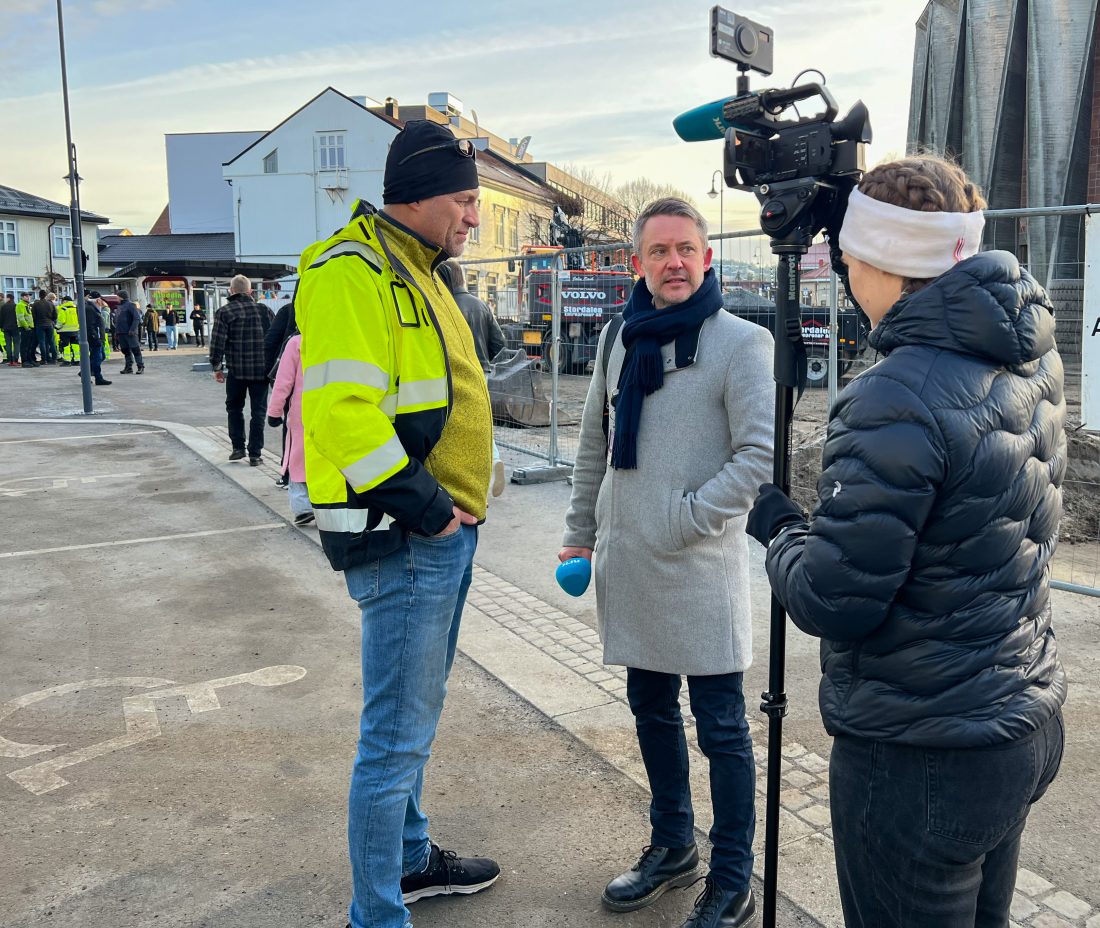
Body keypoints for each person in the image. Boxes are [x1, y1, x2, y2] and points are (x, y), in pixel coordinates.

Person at [745, 156, 1067, 928]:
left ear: (883, 259)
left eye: (850, 254)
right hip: (1017, 718)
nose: (844, 268)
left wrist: (782, 529)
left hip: (923, 750)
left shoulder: (897, 388)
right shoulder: (1028, 351)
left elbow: (835, 595)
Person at [295, 119, 498, 928]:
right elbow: (345, 414)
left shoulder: (418, 268)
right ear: (417, 194)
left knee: (413, 726)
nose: (473, 219)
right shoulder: (355, 271)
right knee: (392, 742)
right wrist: (429, 514)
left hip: (438, 536)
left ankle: (409, 863)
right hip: (407, 540)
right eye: (465, 199)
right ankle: (376, 915)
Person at [561, 197, 774, 928]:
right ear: (638, 263)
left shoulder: (742, 343)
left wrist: (686, 517)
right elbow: (595, 442)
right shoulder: (620, 337)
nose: (674, 262)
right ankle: (673, 846)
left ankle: (733, 877)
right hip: (634, 570)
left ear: (707, 257)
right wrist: (578, 533)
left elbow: (757, 457)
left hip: (700, 569)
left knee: (721, 729)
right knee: (650, 710)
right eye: (659, 252)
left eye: (686, 249)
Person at [437, 258, 508, 498]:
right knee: (481, 421)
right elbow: (500, 342)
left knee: (458, 428)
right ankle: (493, 459)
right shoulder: (480, 304)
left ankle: (469, 482)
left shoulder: (444, 305)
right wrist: (484, 361)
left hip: (451, 373)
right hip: (482, 371)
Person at [208, 275, 274, 465]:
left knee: (234, 408)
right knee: (258, 412)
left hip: (237, 371)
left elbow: (217, 342)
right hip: (261, 371)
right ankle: (255, 453)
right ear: (250, 291)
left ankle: (238, 447)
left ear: (231, 291)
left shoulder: (225, 312)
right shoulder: (265, 311)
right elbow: (274, 339)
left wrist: (217, 367)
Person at [266, 334, 312, 525]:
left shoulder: (297, 342)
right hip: (332, 410)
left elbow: (283, 381)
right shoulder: (336, 336)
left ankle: (303, 507)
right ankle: (326, 504)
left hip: (301, 412)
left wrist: (275, 411)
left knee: (297, 458)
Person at [81, 290, 111, 385]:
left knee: (100, 356)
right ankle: (98, 377)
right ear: (97, 300)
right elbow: (90, 325)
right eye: (100, 299)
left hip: (98, 337)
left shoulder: (93, 308)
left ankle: (85, 373)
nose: (101, 301)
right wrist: (95, 337)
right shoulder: (90, 309)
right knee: (97, 358)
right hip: (94, 338)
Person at [114, 290, 144, 374]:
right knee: (125, 350)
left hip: (130, 333)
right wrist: (116, 332)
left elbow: (137, 318)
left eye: (117, 296)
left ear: (121, 296)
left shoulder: (130, 305)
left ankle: (140, 366)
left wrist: (132, 329)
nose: (116, 298)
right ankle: (128, 367)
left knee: (135, 350)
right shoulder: (119, 307)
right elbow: (118, 321)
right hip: (121, 333)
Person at [31, 290, 57, 365]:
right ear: (46, 296)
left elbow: (33, 316)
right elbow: (55, 315)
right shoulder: (51, 304)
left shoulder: (36, 304)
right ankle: (54, 359)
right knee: (51, 341)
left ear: (39, 296)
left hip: (39, 324)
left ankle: (44, 359)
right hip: (49, 324)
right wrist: (51, 320)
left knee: (42, 342)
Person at [16, 293, 36, 367]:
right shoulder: (20, 305)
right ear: (22, 297)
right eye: (26, 296)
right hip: (25, 328)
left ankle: (30, 360)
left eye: (29, 296)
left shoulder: (27, 305)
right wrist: (26, 327)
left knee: (29, 345)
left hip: (30, 327)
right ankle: (24, 361)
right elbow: (21, 318)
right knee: (24, 345)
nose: (28, 297)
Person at [1, 293, 19, 366]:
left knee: (8, 344)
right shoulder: (16, 306)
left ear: (8, 298)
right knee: (16, 344)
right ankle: (16, 359)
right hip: (15, 327)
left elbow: (1, 318)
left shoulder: (3, 307)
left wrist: (1, 326)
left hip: (6, 328)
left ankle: (10, 360)